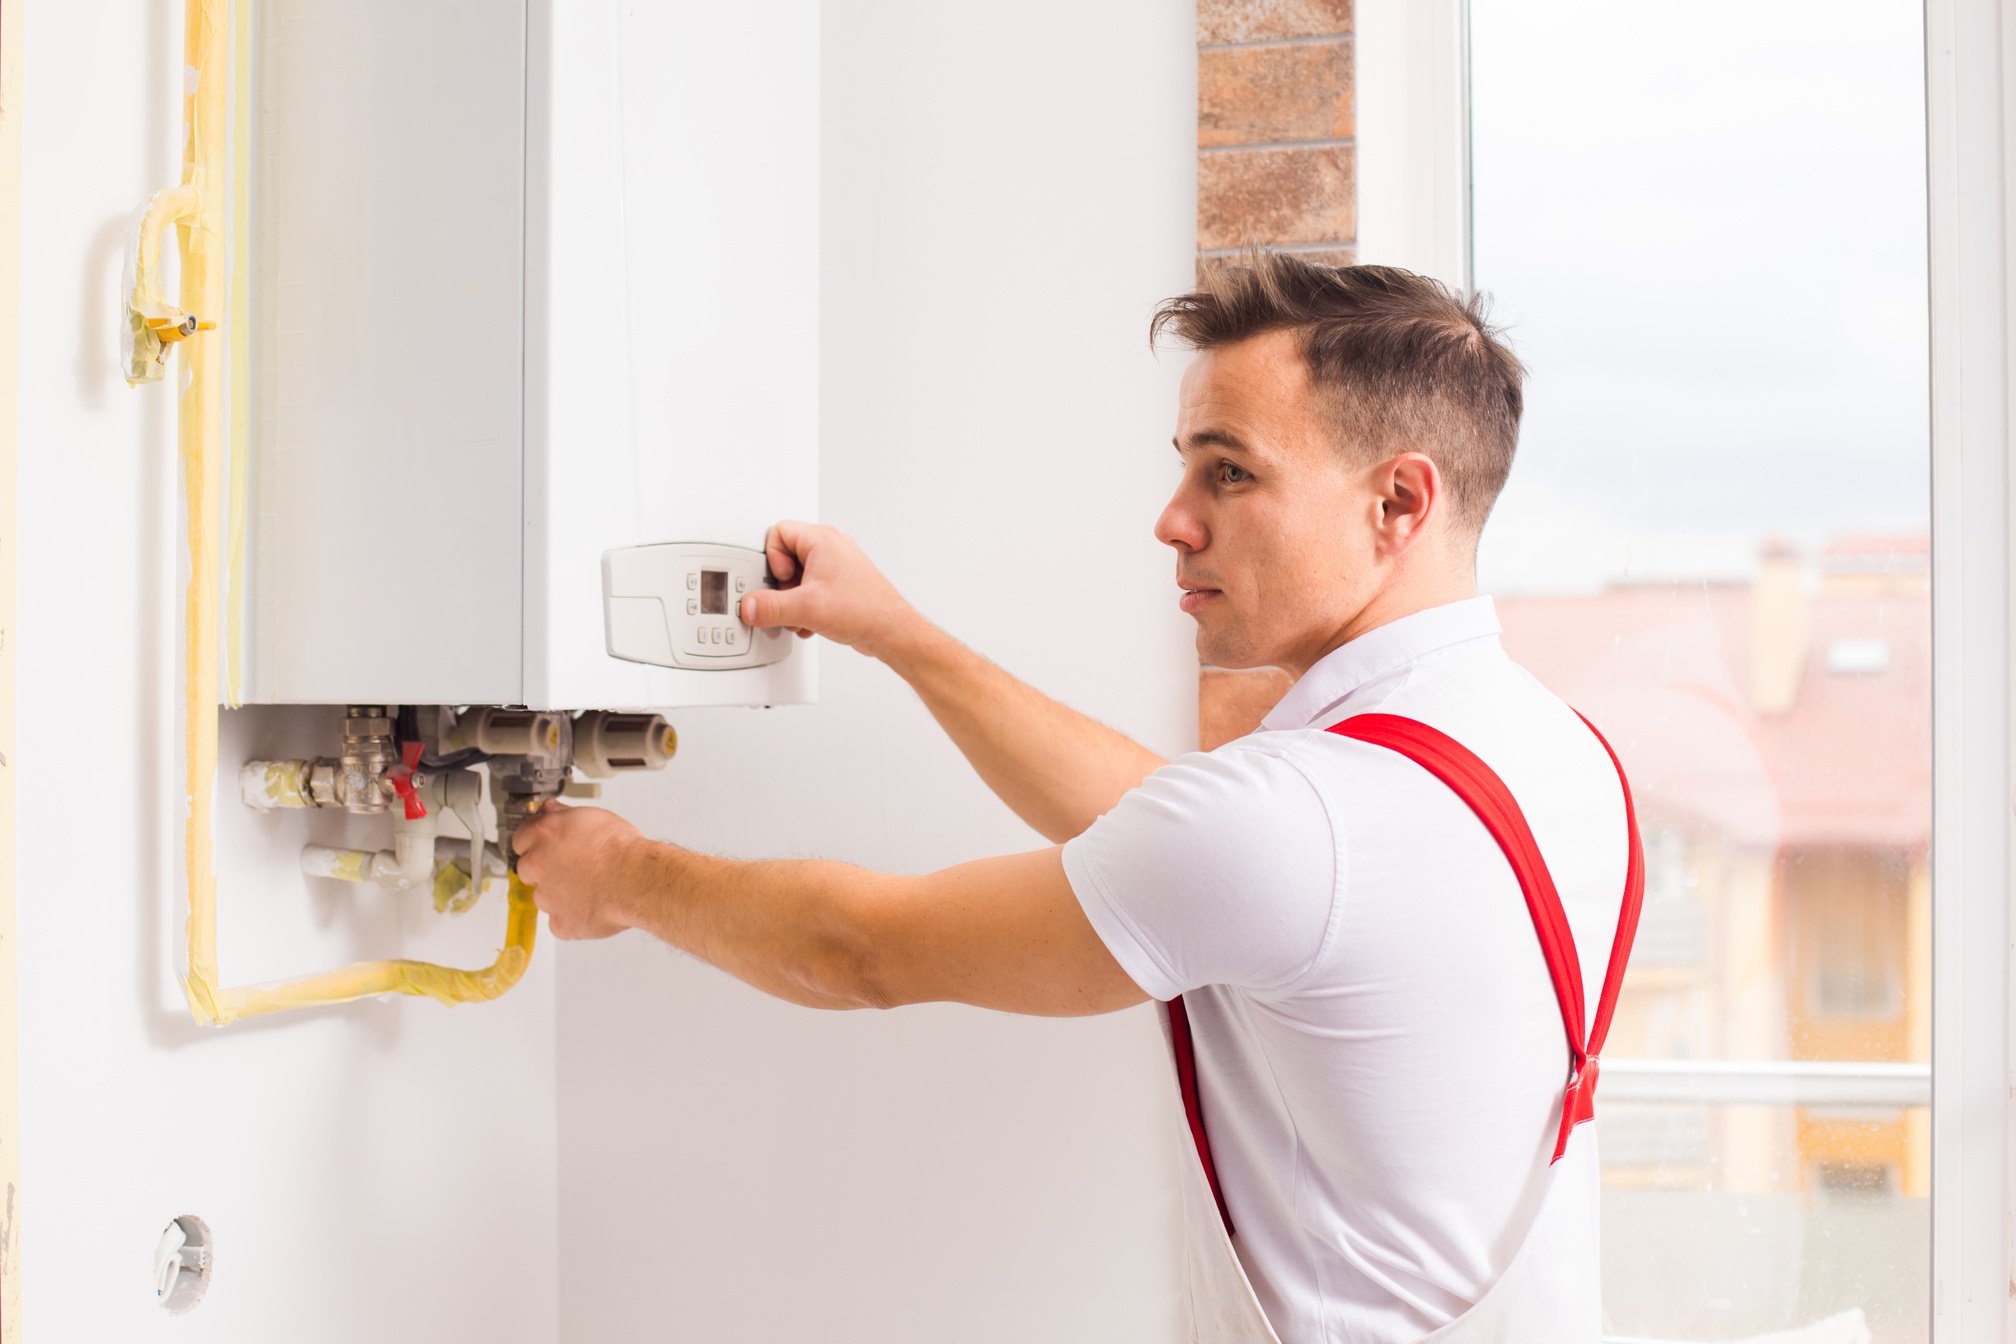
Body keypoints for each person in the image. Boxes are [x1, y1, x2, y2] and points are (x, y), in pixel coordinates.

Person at [511, 254, 1641, 1343]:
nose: (1173, 518)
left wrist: (619, 876)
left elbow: (857, 950)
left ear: (1397, 501)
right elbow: (1175, 828)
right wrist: (896, 635)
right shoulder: (1555, 755)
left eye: (1229, 471)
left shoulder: (1296, 823)